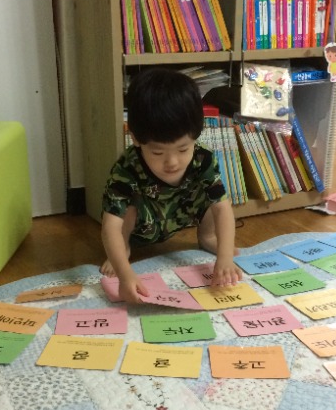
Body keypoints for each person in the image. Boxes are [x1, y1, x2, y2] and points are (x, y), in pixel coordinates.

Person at [100, 68, 242, 304]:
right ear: (135, 138)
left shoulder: (203, 159)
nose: (172, 162)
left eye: (183, 149)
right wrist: (125, 275)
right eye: (158, 152)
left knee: (213, 197)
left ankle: (207, 236)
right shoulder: (126, 169)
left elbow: (222, 208)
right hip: (143, 225)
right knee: (128, 210)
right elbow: (110, 227)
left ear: (196, 135)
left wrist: (225, 257)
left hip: (181, 213)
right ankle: (123, 250)